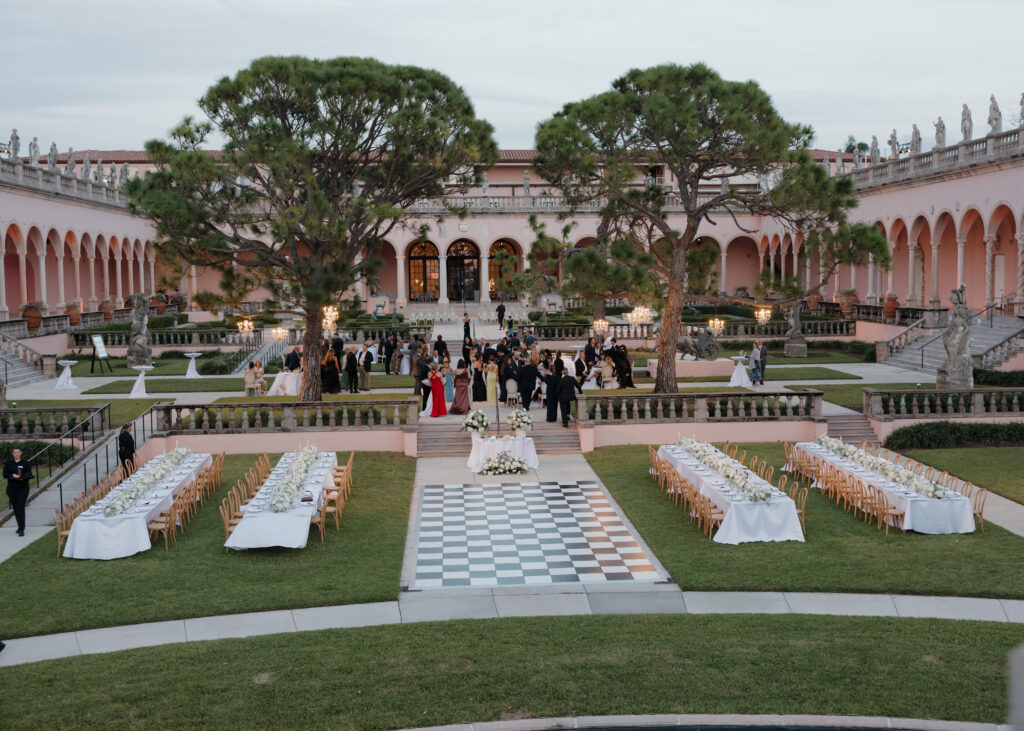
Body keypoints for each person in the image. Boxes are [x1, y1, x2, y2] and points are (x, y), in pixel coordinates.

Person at [4, 447, 33, 536]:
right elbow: (5, 474)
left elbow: (29, 474)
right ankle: (20, 526)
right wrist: (12, 475)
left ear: (21, 453)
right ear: (13, 454)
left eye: (18, 452)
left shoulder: (25, 463)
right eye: (14, 452)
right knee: (16, 508)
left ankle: (21, 529)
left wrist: (22, 477)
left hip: (22, 488)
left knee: (20, 507)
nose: (16, 454)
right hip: (11, 488)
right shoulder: (8, 463)